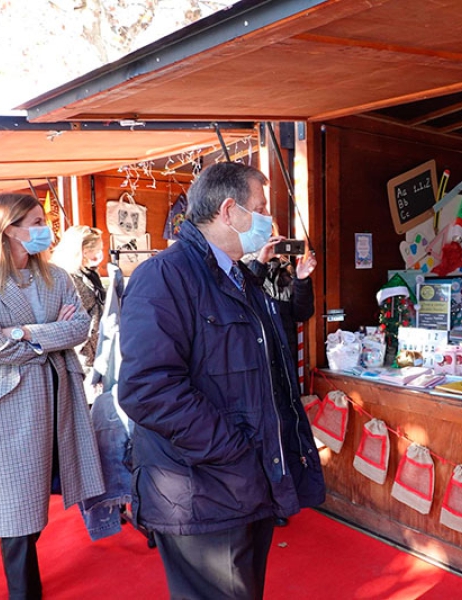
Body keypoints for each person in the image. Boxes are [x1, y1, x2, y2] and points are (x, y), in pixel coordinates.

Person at [118, 162, 325, 599]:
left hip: (244, 484)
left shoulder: (241, 276)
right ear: (229, 210)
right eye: (262, 208)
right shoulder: (166, 275)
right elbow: (148, 389)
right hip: (203, 488)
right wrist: (236, 450)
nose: (270, 219)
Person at [0, 193, 104, 599]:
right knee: (16, 507)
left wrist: (22, 333)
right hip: (10, 405)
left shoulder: (55, 275)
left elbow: (79, 329)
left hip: (60, 395)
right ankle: (23, 591)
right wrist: (48, 333)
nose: (45, 229)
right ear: (8, 229)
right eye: (36, 221)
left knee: (48, 488)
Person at [246, 235, 317, 528]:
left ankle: (280, 500)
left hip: (282, 366)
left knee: (283, 430)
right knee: (258, 433)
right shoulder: (244, 272)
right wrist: (259, 262)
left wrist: (301, 278)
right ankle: (258, 501)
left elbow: (303, 312)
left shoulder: (286, 277)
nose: (276, 249)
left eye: (278, 243)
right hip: (252, 366)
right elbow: (242, 294)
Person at [50, 226, 106, 400]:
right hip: (83, 350)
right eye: (97, 249)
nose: (101, 254)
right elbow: (72, 315)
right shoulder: (67, 278)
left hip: (96, 345)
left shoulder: (88, 273)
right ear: (83, 251)